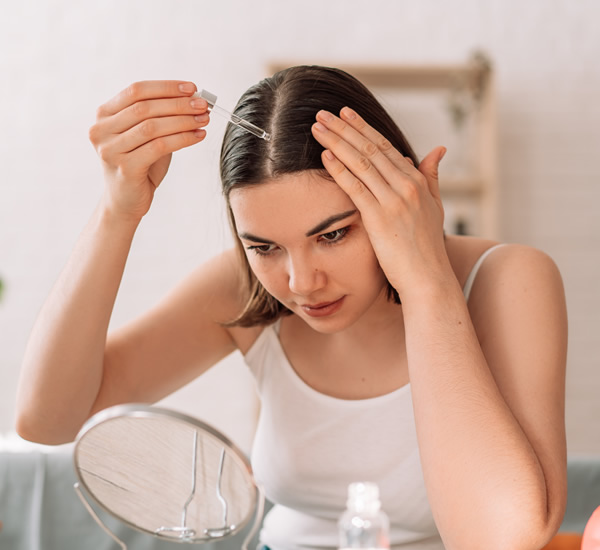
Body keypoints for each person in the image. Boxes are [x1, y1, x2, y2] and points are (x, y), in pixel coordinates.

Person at [15, 65, 568, 550]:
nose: (302, 283)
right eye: (264, 247)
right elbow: (49, 419)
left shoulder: (506, 281)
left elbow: (503, 538)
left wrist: (425, 279)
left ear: (398, 193)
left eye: (333, 235)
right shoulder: (244, 292)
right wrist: (118, 211)